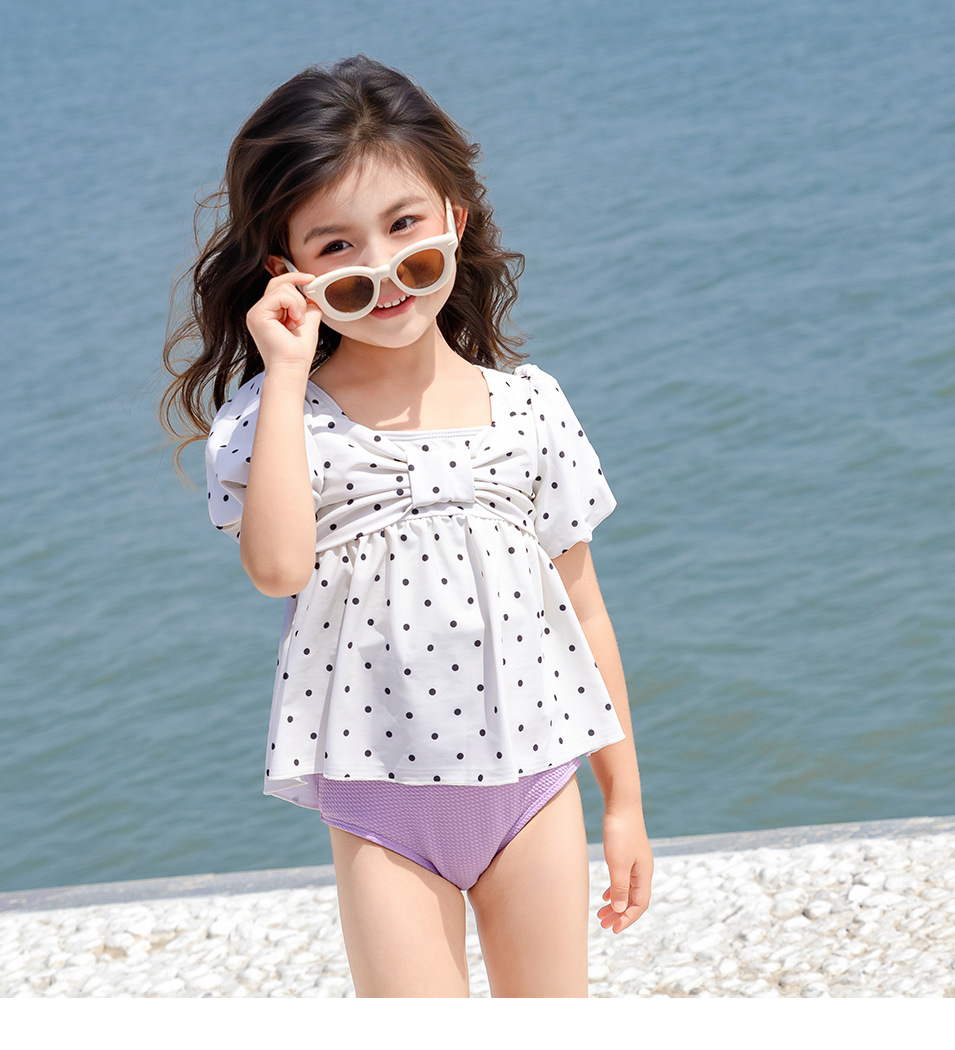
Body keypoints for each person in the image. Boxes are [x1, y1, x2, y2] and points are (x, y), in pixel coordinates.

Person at [161, 55, 652, 998]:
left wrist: (623, 800)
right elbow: (276, 568)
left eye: (404, 226)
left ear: (454, 220)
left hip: (537, 786)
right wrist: (287, 375)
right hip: (382, 805)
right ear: (289, 273)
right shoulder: (281, 419)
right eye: (335, 245)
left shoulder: (530, 407)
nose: (382, 270)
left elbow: (584, 609)